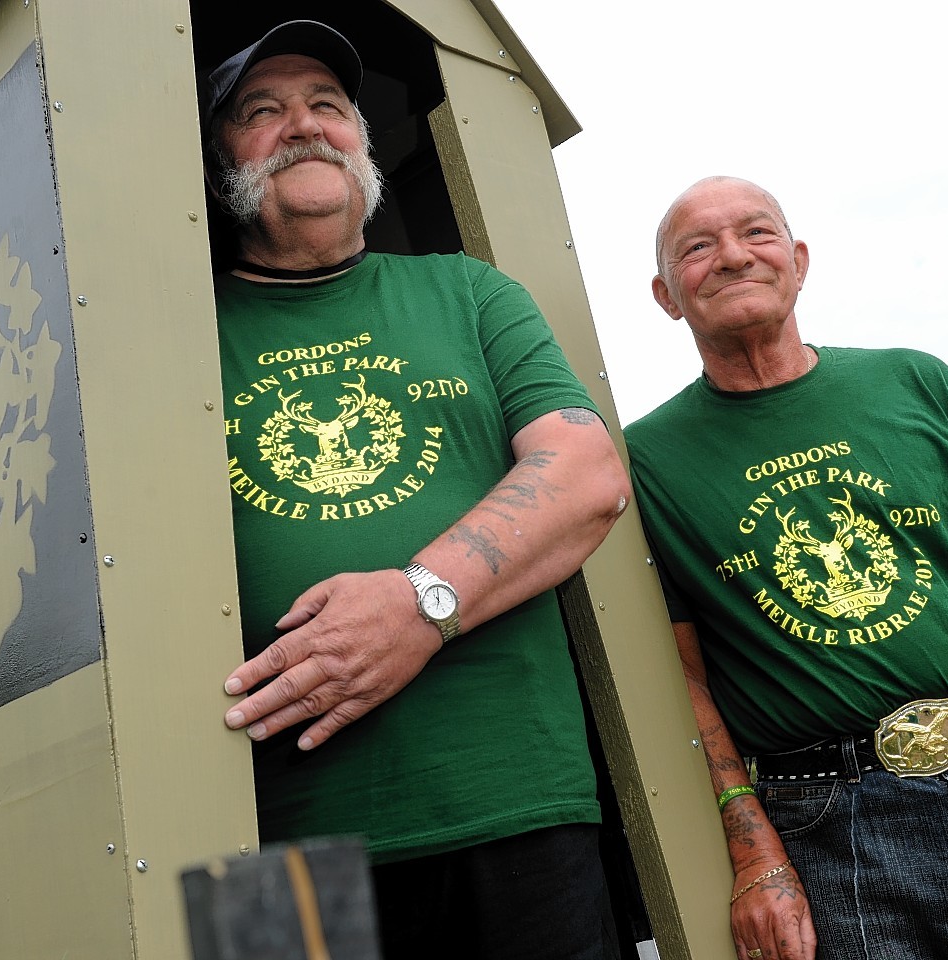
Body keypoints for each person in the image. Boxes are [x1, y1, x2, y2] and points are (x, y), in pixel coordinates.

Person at [625, 175, 948, 960]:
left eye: (756, 234)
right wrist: (753, 851)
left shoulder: (913, 382)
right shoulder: (642, 463)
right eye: (698, 248)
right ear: (666, 295)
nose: (732, 257)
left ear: (798, 261)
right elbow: (681, 679)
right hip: (830, 819)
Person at [200, 20, 631, 959]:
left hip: (512, 806)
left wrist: (417, 602)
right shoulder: (176, 327)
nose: (303, 126)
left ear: (363, 139)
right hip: (257, 838)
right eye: (261, 112)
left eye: (328, 106)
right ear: (218, 153)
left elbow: (588, 473)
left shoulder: (467, 292)